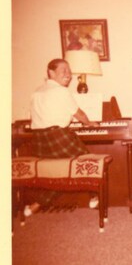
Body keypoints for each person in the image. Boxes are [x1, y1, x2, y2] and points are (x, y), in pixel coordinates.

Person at [24, 58, 99, 216]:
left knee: (59, 172)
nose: (69, 74)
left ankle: (35, 205)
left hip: (38, 142)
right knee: (88, 161)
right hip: (57, 137)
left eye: (69, 71)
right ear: (51, 73)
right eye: (63, 70)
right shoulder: (61, 91)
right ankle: (94, 196)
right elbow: (79, 114)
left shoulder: (36, 92)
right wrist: (89, 123)